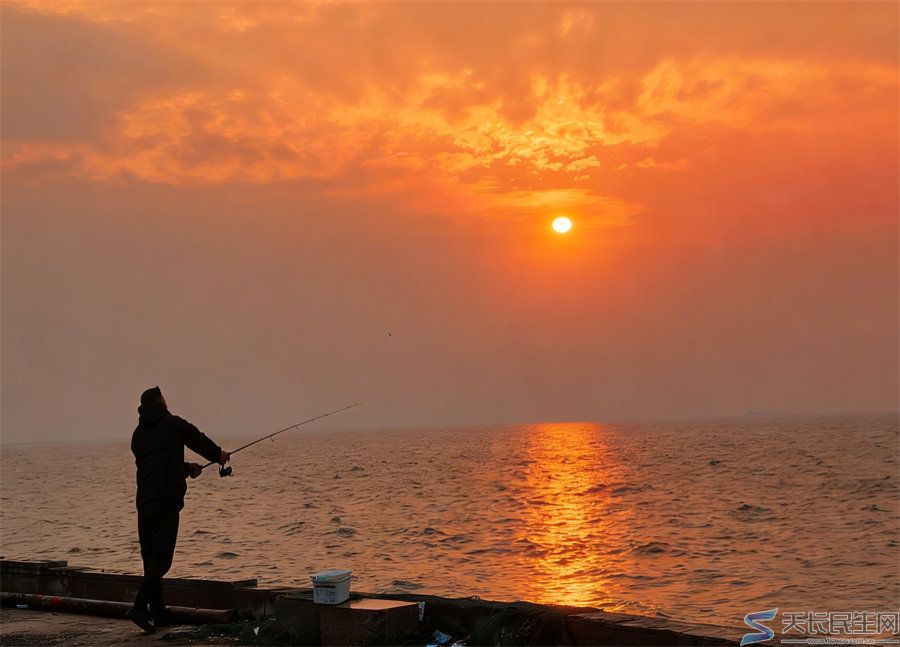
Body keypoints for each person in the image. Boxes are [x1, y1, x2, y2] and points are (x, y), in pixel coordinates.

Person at [126, 386, 229, 633]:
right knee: (161, 560)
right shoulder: (172, 424)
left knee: (151, 559)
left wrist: (186, 468)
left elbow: (157, 462)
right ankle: (139, 607)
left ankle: (159, 613)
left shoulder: (138, 434)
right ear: (161, 402)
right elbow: (196, 438)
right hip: (166, 501)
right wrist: (218, 455)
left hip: (145, 502)